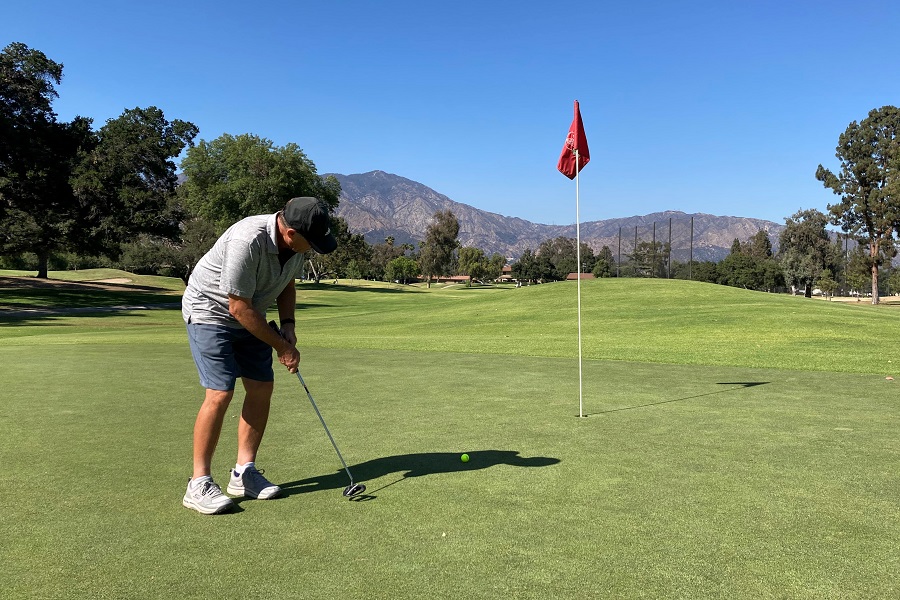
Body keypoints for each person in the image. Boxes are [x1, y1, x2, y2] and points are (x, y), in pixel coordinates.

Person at [180, 196, 337, 515]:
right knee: (220, 392)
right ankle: (198, 483)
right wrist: (282, 348)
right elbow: (236, 306)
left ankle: (243, 473)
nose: (314, 247)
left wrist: (289, 326)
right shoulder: (247, 239)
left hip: (251, 312)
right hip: (211, 311)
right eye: (312, 242)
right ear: (291, 232)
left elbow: (287, 284)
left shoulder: (294, 247)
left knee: (262, 386)